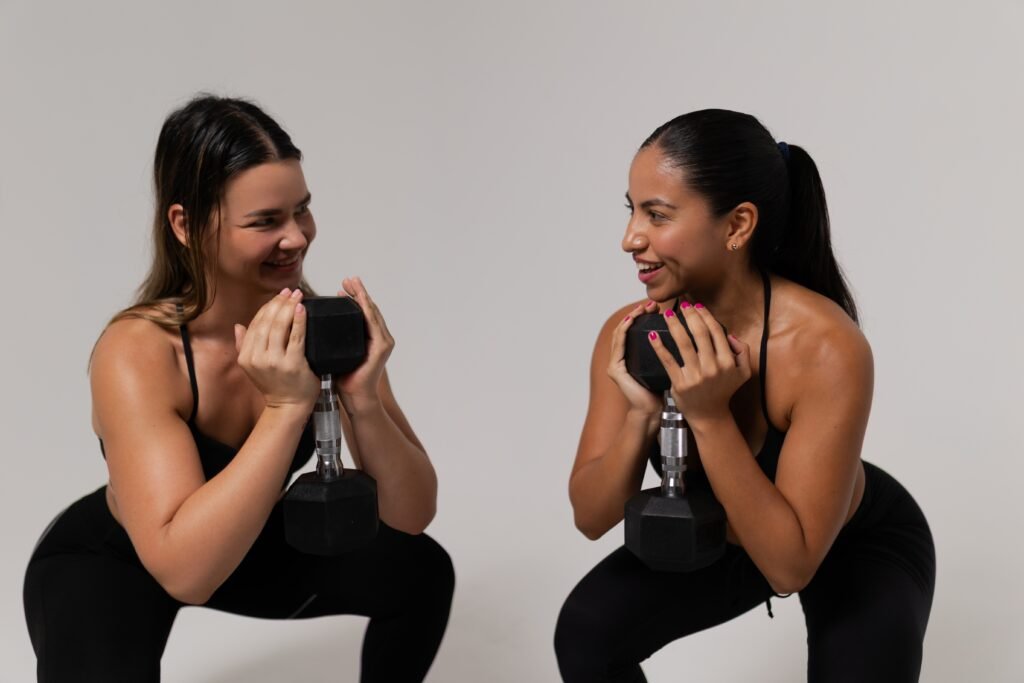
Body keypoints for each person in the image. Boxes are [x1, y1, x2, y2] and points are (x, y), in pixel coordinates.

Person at [23, 95, 454, 683]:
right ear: (186, 225)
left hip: (244, 543)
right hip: (114, 561)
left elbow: (410, 514)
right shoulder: (141, 351)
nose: (297, 237)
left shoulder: (319, 327)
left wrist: (362, 394)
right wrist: (286, 406)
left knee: (420, 572)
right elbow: (186, 573)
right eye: (265, 221)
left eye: (302, 210)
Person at [554, 109, 935, 682]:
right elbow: (590, 516)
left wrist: (709, 417)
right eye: (631, 210)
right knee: (587, 632)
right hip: (727, 529)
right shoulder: (631, 333)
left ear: (737, 225)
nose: (630, 238)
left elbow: (789, 566)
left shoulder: (823, 346)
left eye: (657, 214)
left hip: (855, 542)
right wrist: (640, 417)